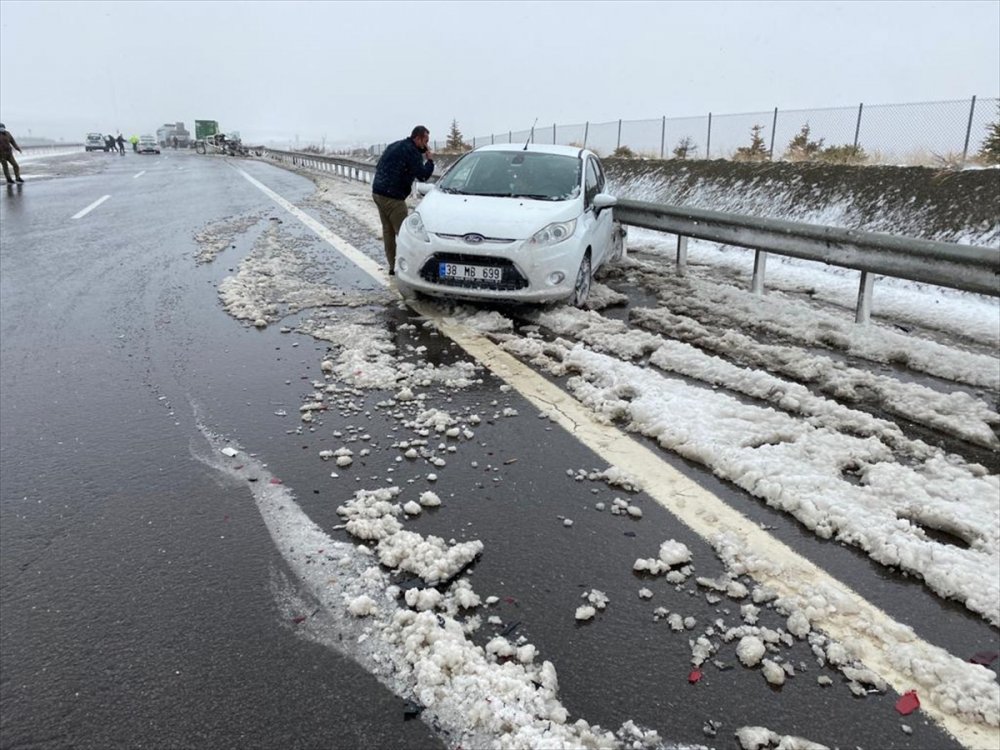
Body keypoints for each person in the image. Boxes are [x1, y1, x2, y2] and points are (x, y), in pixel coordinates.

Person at [371, 125, 434, 275]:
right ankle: (410, 270)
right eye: (425, 140)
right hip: (393, 197)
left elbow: (379, 165)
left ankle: (393, 267)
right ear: (418, 138)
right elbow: (423, 176)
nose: (427, 144)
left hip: (378, 192)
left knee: (388, 232)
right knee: (407, 234)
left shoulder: (395, 145)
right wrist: (430, 161)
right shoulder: (412, 152)